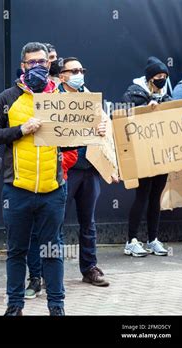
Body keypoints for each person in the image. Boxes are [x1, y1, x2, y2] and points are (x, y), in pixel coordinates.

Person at [0, 42, 70, 316]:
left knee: (52, 251)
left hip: (53, 189)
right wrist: (20, 129)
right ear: (22, 66)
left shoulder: (61, 97)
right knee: (16, 251)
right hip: (17, 189)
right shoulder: (7, 98)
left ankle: (56, 307)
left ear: (49, 64)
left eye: (42, 62)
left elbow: (77, 140)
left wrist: (96, 128)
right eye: (31, 62)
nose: (37, 67)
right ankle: (14, 306)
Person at [58, 57, 110, 286]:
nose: (79, 73)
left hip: (90, 168)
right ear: (62, 76)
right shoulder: (53, 100)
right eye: (74, 70)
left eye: (82, 69)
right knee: (55, 222)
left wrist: (102, 128)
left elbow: (105, 134)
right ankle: (51, 271)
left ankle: (89, 268)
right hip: (65, 169)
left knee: (88, 222)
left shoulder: (93, 100)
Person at [122, 56, 171, 257]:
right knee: (142, 196)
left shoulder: (167, 99)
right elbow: (124, 119)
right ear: (149, 78)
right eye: (158, 76)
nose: (161, 79)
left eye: (164, 76)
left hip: (162, 156)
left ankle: (153, 239)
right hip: (142, 155)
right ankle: (131, 240)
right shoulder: (133, 94)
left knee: (155, 197)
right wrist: (145, 110)